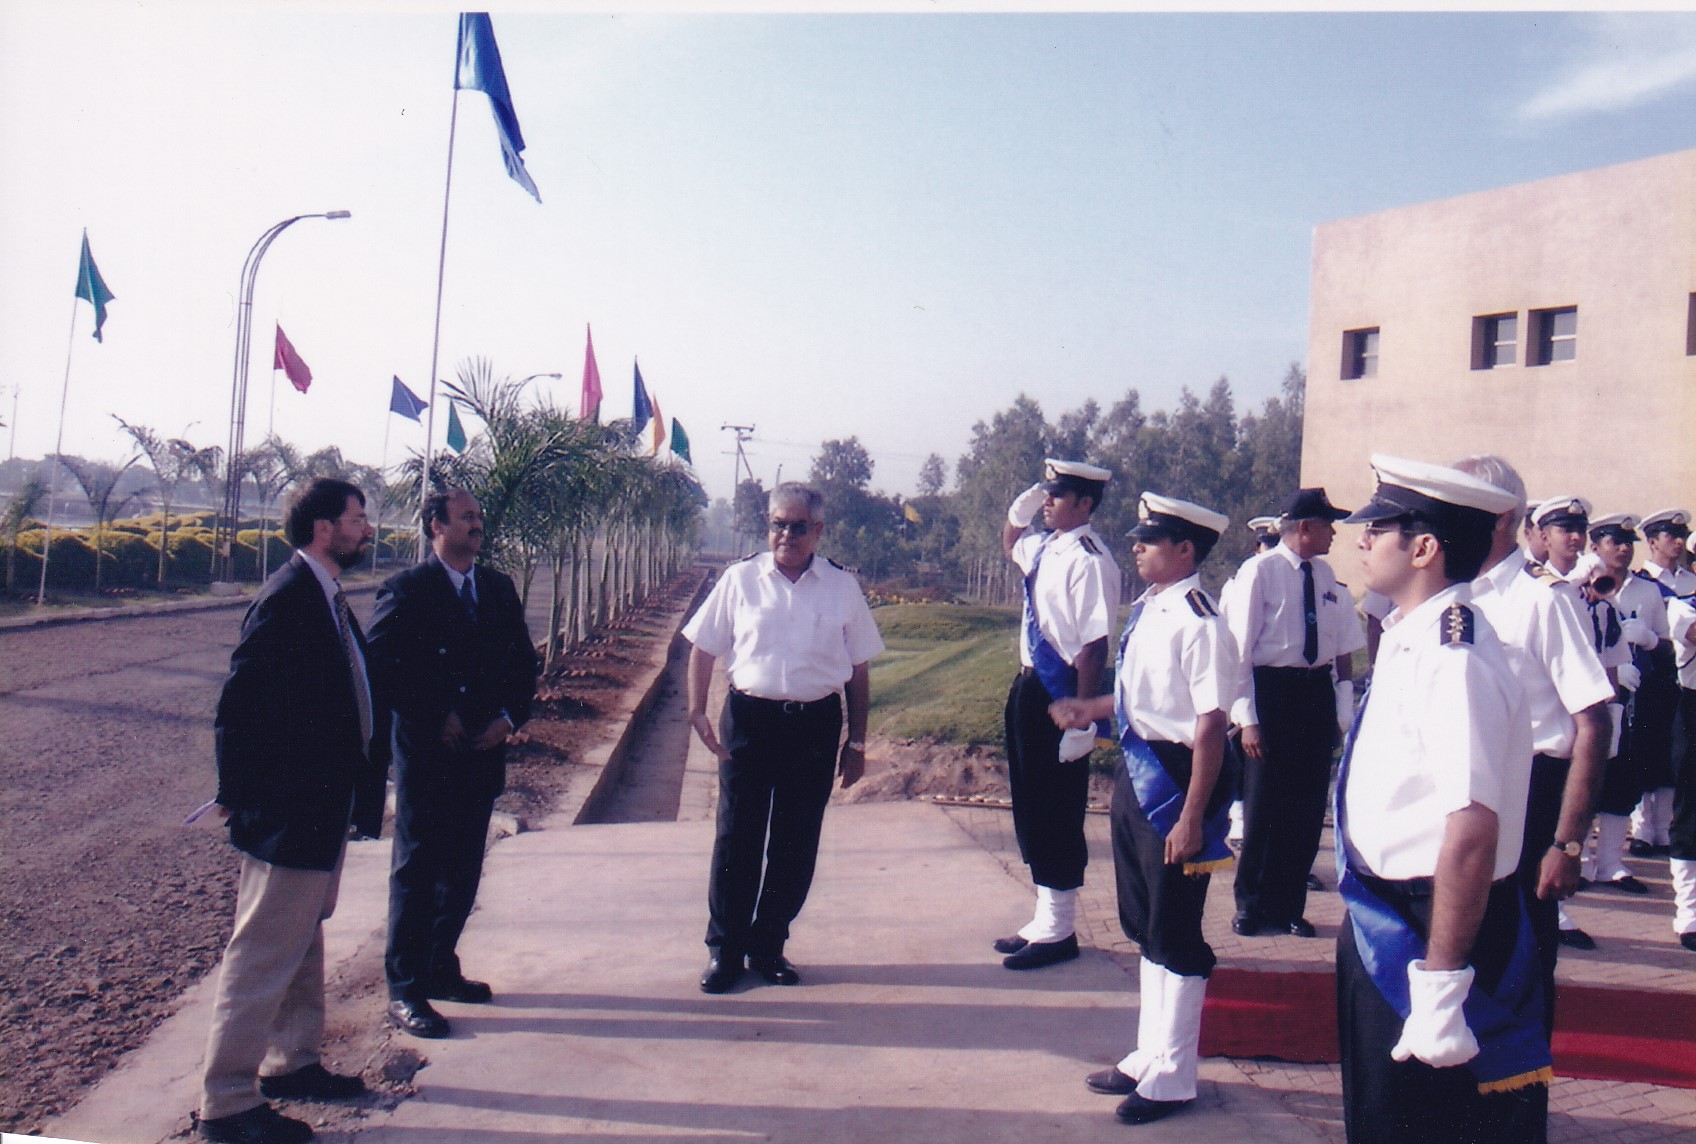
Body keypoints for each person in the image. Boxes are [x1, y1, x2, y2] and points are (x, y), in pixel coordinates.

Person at [1335, 455, 1549, 1144]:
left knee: (1425, 1124)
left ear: (1424, 547)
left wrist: (1442, 980)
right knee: (1381, 1117)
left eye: (1379, 527)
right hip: (1390, 913)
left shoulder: (1456, 654)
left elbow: (1473, 828)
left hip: (1436, 927)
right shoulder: (1413, 636)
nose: (1364, 538)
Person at [196, 478, 385, 1144]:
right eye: (358, 520)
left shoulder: (324, 594)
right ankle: (226, 1103)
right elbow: (238, 708)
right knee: (263, 952)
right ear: (323, 528)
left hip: (319, 806)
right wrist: (244, 798)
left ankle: (292, 1062)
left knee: (301, 940)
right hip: (289, 812)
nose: (368, 530)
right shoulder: (287, 598)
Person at [1050, 493, 1236, 1126]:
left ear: (1185, 550)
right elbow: (1144, 700)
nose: (1136, 547)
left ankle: (1175, 1074)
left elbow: (1210, 725)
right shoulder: (1153, 607)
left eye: (1149, 540)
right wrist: (1091, 708)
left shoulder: (1201, 620)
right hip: (1138, 770)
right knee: (1144, 921)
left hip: (1180, 782)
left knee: (1175, 927)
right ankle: (1149, 1054)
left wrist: (1193, 817)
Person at [684, 482, 884, 993]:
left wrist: (857, 743)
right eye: (778, 524)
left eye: (799, 527)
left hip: (814, 726)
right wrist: (696, 710)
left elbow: (859, 669)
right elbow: (703, 647)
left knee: (795, 841)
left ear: (818, 531)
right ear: (767, 525)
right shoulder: (740, 579)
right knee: (737, 837)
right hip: (749, 722)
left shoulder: (841, 586)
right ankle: (725, 951)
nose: (787, 535)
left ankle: (769, 945)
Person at [368, 490, 538, 1039]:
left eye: (479, 517)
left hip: (481, 752)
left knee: (464, 868)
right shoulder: (407, 590)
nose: (477, 524)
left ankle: (441, 966)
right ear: (436, 526)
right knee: (418, 870)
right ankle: (406, 988)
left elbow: (522, 663)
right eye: (466, 517)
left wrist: (508, 718)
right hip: (428, 755)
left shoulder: (496, 588)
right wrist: (432, 714)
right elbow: (381, 665)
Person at [1451, 455, 1612, 1031]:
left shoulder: (1543, 599)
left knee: (1519, 962)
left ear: (1500, 517)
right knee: (1460, 954)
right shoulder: (1453, 592)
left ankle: (1519, 1086)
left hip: (1532, 792)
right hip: (1468, 790)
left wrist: (1566, 844)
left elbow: (1593, 721)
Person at [995, 459, 1122, 969]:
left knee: (1057, 808)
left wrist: (1084, 719)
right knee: (1031, 803)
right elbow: (1011, 543)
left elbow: (1094, 646)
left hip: (1064, 692)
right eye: (1045, 493)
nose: (1047, 502)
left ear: (1085, 504)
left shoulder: (1091, 559)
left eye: (1057, 495)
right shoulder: (1047, 545)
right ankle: (1045, 915)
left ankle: (1060, 927)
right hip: (1030, 686)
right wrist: (1019, 511)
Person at [1224, 488, 1365, 938]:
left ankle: (1289, 905)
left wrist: (1339, 710)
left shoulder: (1325, 576)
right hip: (1272, 692)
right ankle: (1251, 905)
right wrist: (1247, 718)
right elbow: (1240, 652)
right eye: (1327, 526)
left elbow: (1339, 650)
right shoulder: (1259, 572)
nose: (1333, 534)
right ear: (1304, 527)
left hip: (1313, 694)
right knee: (1264, 805)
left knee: (1305, 809)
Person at [1585, 513, 1671, 895]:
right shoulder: (1579, 589)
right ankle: (1582, 862)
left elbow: (1668, 645)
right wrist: (1609, 671)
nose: (1622, 549)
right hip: (1593, 695)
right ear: (1596, 547)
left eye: (1627, 543)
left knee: (1624, 777)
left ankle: (1610, 863)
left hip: (1636, 698)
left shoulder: (1647, 591)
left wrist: (1650, 639)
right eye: (1613, 542)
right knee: (1588, 776)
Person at [1628, 508, 1694, 854]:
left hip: (1683, 676)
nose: (1678, 542)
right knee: (1645, 748)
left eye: (1682, 535)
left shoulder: (1690, 582)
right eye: (1671, 536)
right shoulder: (1640, 582)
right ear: (1653, 541)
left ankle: (1666, 827)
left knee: (1674, 754)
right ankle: (1642, 829)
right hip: (1652, 672)